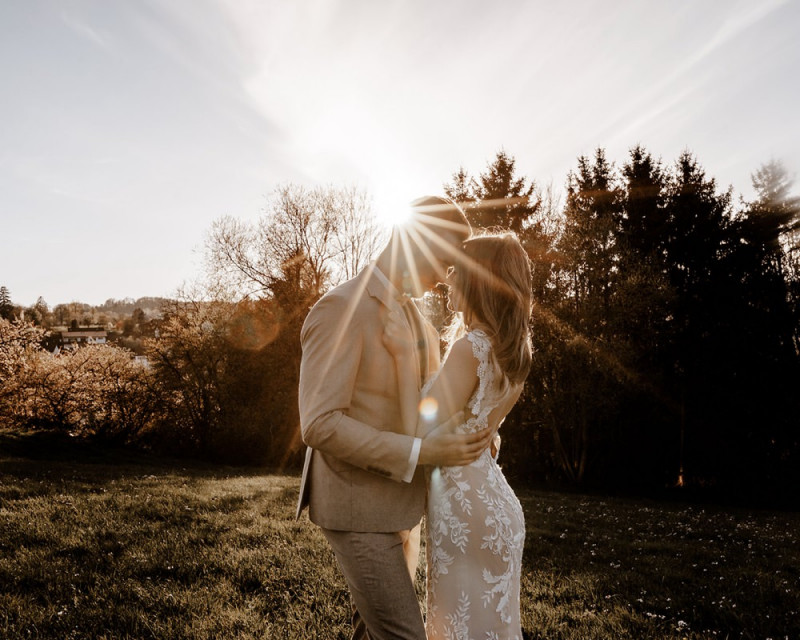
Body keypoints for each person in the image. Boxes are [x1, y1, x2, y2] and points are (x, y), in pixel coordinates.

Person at [295, 196, 500, 640]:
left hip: (403, 505)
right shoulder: (339, 309)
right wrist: (419, 453)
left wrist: (475, 428)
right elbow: (319, 422)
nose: (442, 282)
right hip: (357, 508)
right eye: (442, 263)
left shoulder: (418, 318)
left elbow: (428, 404)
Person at [384, 231, 533, 639]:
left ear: (478, 280)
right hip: (498, 509)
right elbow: (484, 426)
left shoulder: (471, 349)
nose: (448, 278)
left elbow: (418, 428)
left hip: (467, 514)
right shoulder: (516, 352)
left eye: (457, 270)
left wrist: (400, 358)